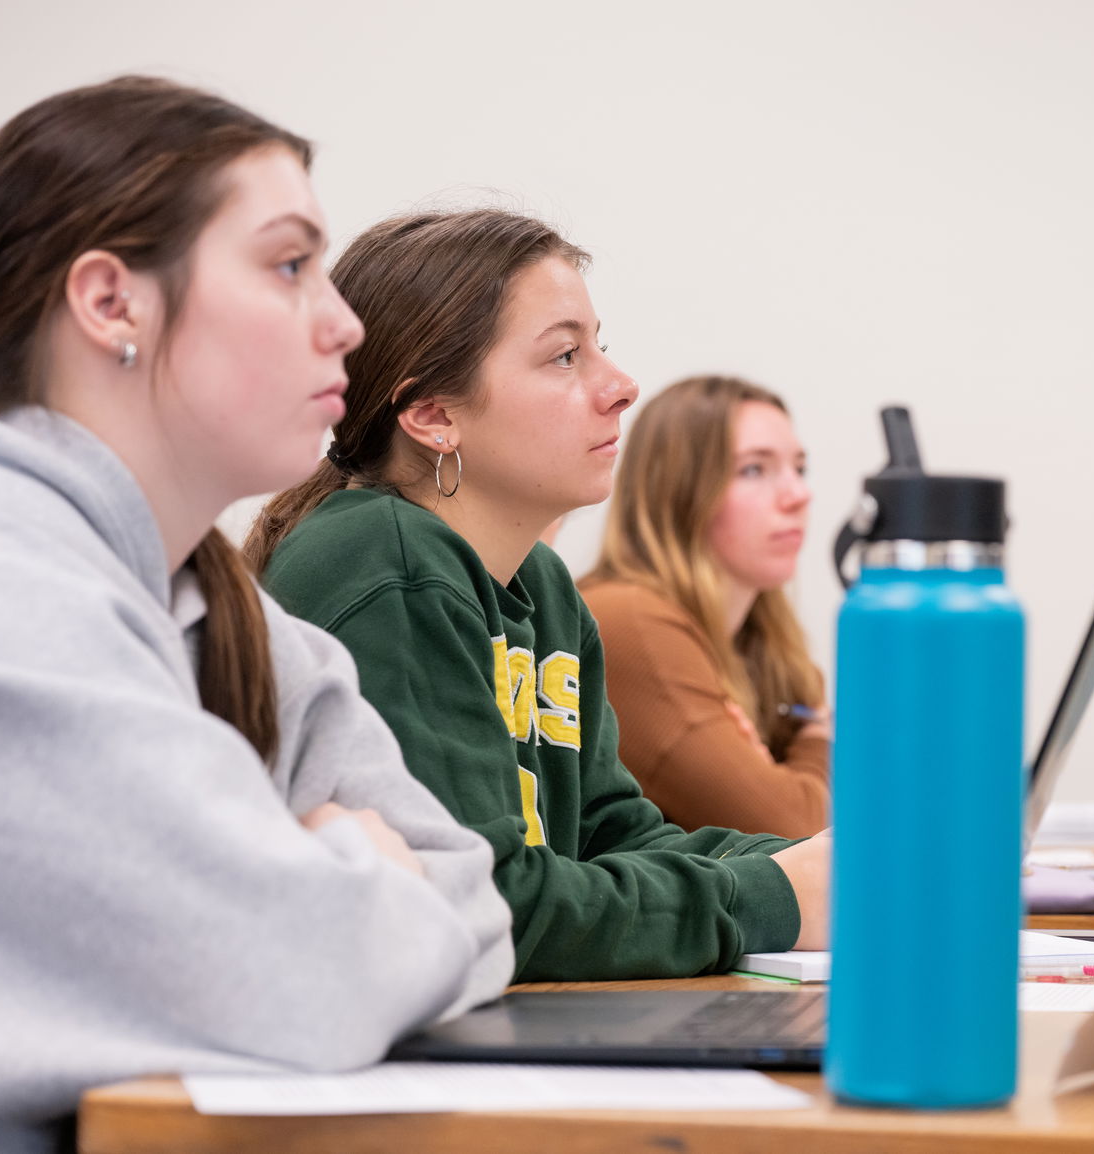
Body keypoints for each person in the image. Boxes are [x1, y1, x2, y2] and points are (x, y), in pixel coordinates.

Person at [0, 78, 512, 1153]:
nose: (344, 321)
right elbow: (305, 972)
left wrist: (348, 897)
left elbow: (473, 895)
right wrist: (356, 879)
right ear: (111, 301)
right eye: (287, 264)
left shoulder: (224, 612)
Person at [246, 210, 829, 983]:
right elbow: (490, 905)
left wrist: (830, 866)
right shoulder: (385, 563)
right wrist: (772, 896)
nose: (621, 388)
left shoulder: (541, 586)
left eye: (600, 347)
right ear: (433, 416)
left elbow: (608, 835)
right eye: (563, 356)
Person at [580, 376, 829, 837]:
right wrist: (822, 740)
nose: (798, 495)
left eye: (800, 468)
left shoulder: (768, 647)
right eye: (755, 469)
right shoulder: (628, 618)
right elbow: (795, 830)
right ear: (679, 491)